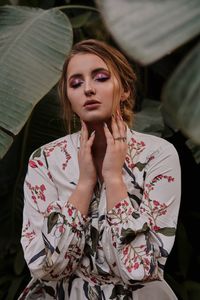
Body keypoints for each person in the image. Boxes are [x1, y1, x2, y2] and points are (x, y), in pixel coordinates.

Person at [18, 39, 181, 300]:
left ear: (125, 89)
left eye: (101, 78)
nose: (89, 89)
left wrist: (114, 178)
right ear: (68, 98)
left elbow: (140, 269)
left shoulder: (157, 155)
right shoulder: (46, 159)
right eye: (76, 83)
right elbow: (43, 268)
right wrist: (84, 183)